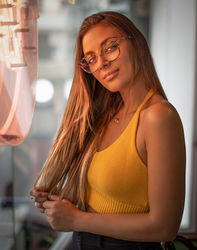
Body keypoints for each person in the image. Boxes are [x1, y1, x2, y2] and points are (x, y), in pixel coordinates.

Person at [30, 11, 186, 250]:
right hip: (83, 241)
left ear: (137, 43)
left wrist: (76, 219)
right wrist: (61, 202)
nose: (101, 63)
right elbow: (110, 196)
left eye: (110, 47)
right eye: (90, 59)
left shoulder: (158, 117)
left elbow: (165, 226)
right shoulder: (106, 116)